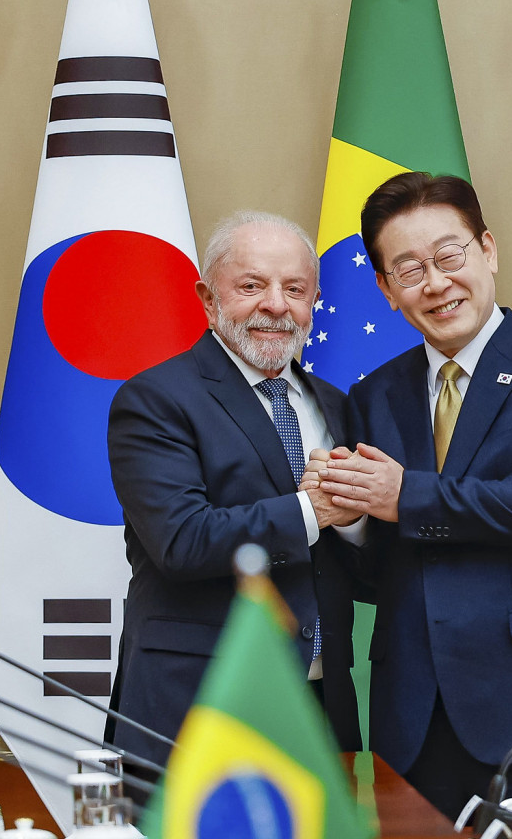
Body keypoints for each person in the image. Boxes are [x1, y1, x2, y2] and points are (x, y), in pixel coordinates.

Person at [308, 173, 512, 819]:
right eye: (409, 268)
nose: (436, 281)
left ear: (489, 251)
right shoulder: (375, 395)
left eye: (450, 256)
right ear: (387, 291)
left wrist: (403, 495)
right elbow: (381, 568)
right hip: (414, 714)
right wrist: (346, 520)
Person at [105, 210, 366, 784]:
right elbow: (181, 540)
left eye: (294, 289)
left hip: (321, 700)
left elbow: (355, 561)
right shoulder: (155, 400)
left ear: (313, 301)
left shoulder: (337, 403)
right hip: (202, 701)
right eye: (251, 285)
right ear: (206, 296)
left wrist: (356, 518)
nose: (276, 304)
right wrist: (313, 509)